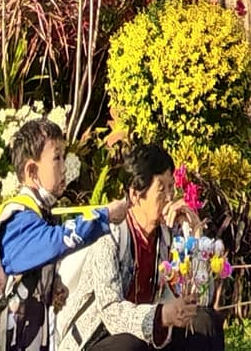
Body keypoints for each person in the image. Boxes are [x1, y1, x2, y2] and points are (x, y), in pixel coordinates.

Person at [0, 120, 127, 351]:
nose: (64, 168)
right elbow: (55, 241)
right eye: (57, 158)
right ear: (32, 171)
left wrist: (52, 285)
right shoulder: (16, 218)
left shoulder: (39, 215)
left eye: (64, 157)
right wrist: (104, 215)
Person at [51, 141, 215, 351]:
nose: (169, 197)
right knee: (131, 344)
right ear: (136, 194)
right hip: (98, 339)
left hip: (149, 336)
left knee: (204, 322)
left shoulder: (170, 234)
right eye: (161, 189)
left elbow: (201, 299)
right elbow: (111, 311)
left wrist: (195, 234)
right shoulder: (109, 235)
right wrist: (161, 315)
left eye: (171, 187)